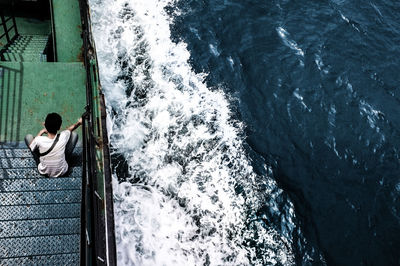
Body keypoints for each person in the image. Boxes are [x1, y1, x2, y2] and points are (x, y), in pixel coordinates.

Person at [25, 113, 82, 177]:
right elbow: (70, 129)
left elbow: (32, 145)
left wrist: (41, 132)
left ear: (45, 125)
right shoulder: (63, 136)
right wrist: (79, 123)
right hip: (62, 172)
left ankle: (41, 162)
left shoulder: (39, 140)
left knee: (28, 137)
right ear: (59, 127)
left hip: (44, 172)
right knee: (74, 135)